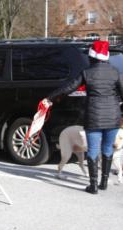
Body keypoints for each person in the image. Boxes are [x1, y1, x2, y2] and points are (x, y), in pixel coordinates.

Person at [42, 40, 123, 194]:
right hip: (113, 117)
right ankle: (104, 182)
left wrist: (50, 98)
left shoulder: (86, 73)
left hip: (94, 117)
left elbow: (68, 87)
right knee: (107, 149)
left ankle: (93, 186)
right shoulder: (115, 72)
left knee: (92, 150)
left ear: (92, 57)